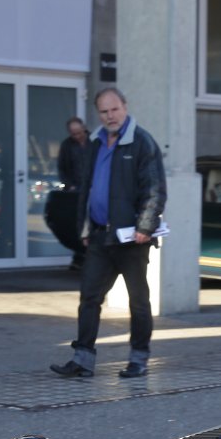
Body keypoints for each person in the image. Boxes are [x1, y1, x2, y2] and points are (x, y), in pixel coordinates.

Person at [50, 87, 166, 380]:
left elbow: (154, 189)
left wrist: (145, 227)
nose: (110, 116)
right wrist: (85, 228)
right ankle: (82, 360)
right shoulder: (94, 142)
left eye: (114, 109)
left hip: (132, 239)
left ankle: (138, 359)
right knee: (89, 298)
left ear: (125, 106)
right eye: (104, 111)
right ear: (98, 114)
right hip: (100, 237)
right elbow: (87, 189)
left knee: (138, 301)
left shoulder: (142, 142)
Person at [50, 117, 91, 270]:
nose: (77, 136)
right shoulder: (67, 145)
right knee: (77, 224)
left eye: (79, 133)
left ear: (84, 129)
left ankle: (88, 256)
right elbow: (62, 167)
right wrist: (69, 185)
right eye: (73, 134)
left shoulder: (95, 141)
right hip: (77, 190)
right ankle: (79, 255)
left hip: (93, 188)